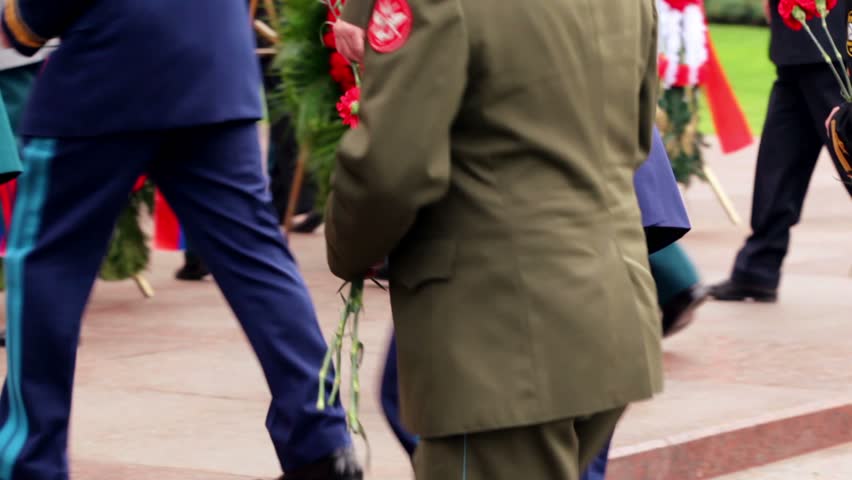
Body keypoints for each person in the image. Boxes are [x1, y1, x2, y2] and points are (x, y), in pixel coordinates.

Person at [0, 1, 362, 479]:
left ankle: (29, 460)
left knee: (46, 266)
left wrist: (25, 21)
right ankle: (321, 444)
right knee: (257, 262)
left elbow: (31, 22)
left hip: (109, 63)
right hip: (215, 61)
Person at [325, 0, 662, 478]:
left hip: (500, 334)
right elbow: (635, 140)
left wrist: (347, 247)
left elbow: (389, 170)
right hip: (612, 312)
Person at [709, 0, 852, 303]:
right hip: (796, 44)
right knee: (780, 156)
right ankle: (757, 269)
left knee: (847, 151)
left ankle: (758, 266)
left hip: (833, 41)